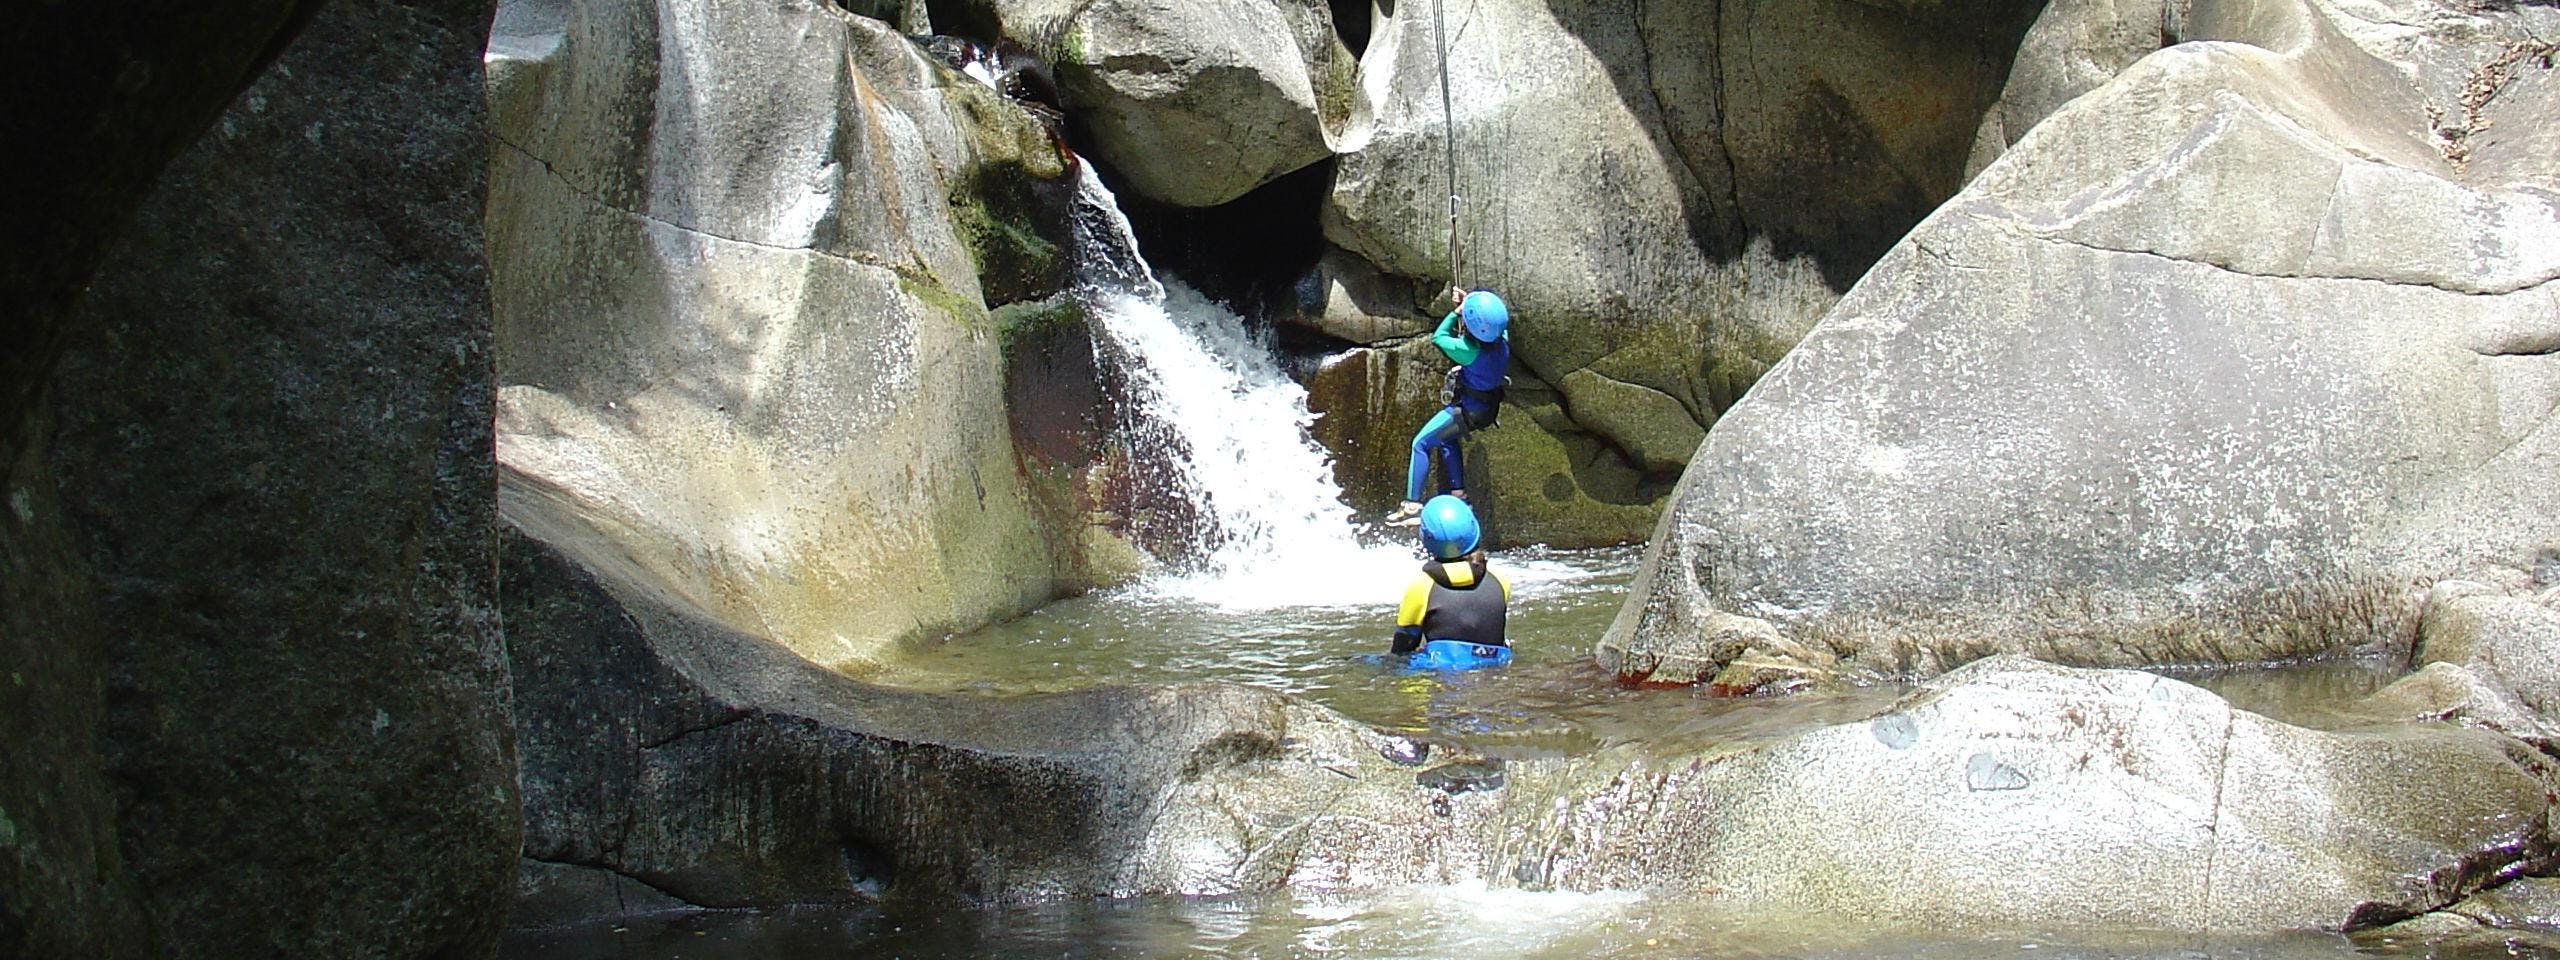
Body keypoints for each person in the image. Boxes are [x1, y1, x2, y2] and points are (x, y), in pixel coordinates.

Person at [1388, 288, 1509, 524]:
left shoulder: (1469, 352)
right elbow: (1490, 329)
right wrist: (1468, 308)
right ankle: (1459, 495)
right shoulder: (1502, 342)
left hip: (1467, 411)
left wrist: (1456, 313)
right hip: (1486, 410)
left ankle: (1412, 506)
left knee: (1420, 444)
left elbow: (1439, 337)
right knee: (1446, 439)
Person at [1391, 495, 1511, 670]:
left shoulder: (1421, 586)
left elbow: (1403, 646)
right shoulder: (1500, 581)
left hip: (1442, 671)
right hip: (1494, 665)